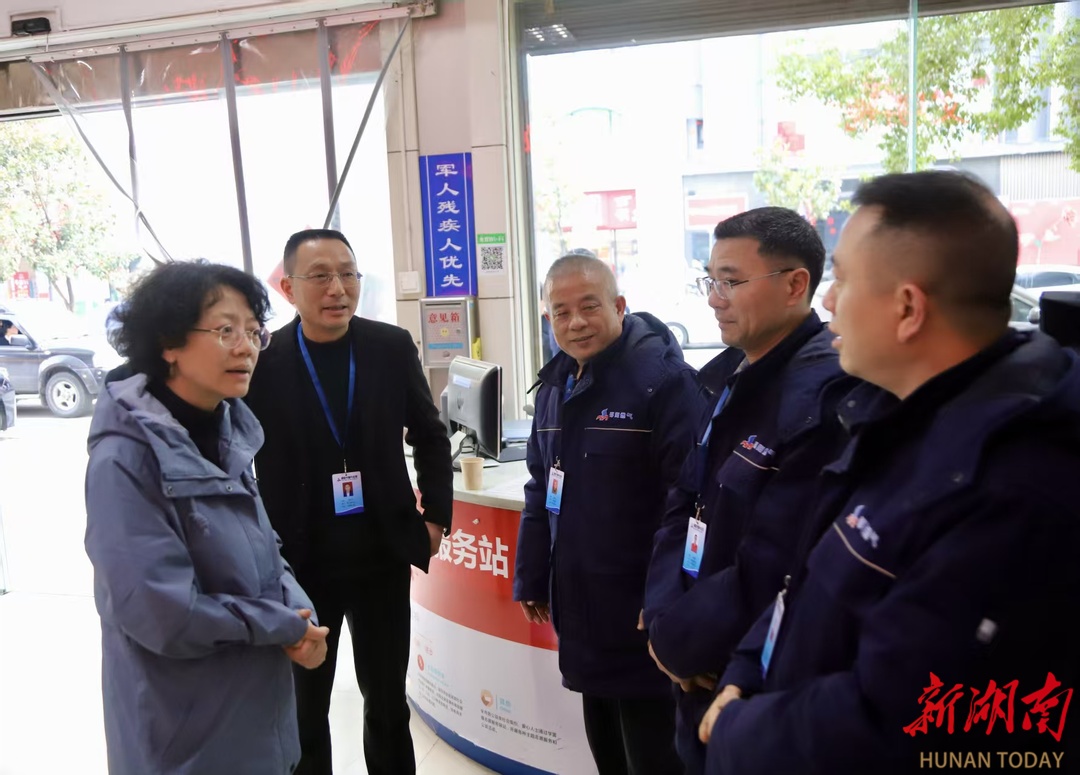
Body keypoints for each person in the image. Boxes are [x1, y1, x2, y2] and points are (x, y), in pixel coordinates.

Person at [699, 171, 1080, 773]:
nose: (828, 300)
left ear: (907, 308)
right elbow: (808, 577)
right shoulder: (894, 414)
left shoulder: (1011, 492)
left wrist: (737, 731)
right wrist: (747, 669)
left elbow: (897, 722)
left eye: (844, 279)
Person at [84, 261, 328, 775]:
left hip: (254, 713)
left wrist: (297, 611)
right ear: (168, 343)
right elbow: (161, 614)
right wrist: (278, 624)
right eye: (225, 331)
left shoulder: (228, 430)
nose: (246, 348)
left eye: (254, 332)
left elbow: (262, 547)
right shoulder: (125, 460)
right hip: (181, 730)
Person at [641, 207, 856, 773]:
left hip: (750, 674)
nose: (715, 299)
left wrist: (681, 641)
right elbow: (683, 499)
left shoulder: (820, 397)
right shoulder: (728, 375)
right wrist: (663, 617)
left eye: (731, 282)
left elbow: (776, 561)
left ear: (795, 285)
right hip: (690, 654)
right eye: (711, 280)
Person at [245, 228, 453, 775]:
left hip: (381, 556)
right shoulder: (264, 361)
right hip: (299, 564)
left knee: (387, 705)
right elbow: (233, 456)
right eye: (320, 276)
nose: (337, 288)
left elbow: (430, 434)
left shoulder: (389, 347)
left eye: (348, 274)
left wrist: (435, 519)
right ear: (288, 288)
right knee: (304, 712)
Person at [513, 252, 709, 775]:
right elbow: (541, 485)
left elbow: (690, 503)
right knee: (607, 750)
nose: (576, 322)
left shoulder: (664, 384)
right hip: (581, 607)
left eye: (589, 306)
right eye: (561, 312)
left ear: (619, 306)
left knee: (653, 755)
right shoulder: (555, 385)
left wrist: (668, 598)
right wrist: (531, 573)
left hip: (642, 613)